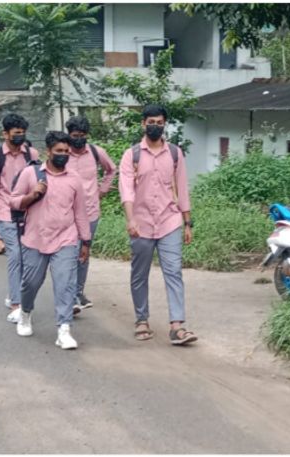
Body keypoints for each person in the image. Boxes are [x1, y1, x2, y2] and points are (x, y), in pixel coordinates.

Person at [118, 104, 197, 346]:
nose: (155, 126)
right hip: (140, 223)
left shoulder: (174, 153)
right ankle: (141, 320)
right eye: (150, 122)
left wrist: (187, 222)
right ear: (143, 124)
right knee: (139, 273)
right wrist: (131, 219)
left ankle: (177, 326)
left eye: (159, 122)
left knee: (173, 271)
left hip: (169, 221)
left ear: (164, 125)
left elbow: (182, 188)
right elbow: (126, 190)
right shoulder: (131, 155)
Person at [10, 131, 91, 349]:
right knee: (31, 283)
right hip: (35, 239)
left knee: (65, 284)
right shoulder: (30, 174)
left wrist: (86, 241)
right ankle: (25, 312)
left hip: (66, 239)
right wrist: (33, 195)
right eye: (59, 151)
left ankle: (64, 329)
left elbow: (80, 212)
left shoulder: (74, 179)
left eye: (66, 151)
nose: (63, 155)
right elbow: (14, 202)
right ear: (49, 151)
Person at [0, 113, 39, 323]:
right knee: (15, 256)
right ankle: (17, 303)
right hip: (6, 214)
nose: (20, 137)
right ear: (5, 134)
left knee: (28, 258)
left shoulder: (31, 154)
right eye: (16, 133)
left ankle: (14, 294)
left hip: (28, 213)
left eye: (23, 133)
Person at [64, 116, 117, 313]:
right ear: (69, 135)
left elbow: (111, 169)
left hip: (90, 212)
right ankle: (68, 295)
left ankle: (78, 292)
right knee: (68, 253)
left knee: (83, 253)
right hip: (66, 213)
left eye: (82, 136)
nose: (79, 139)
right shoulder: (62, 153)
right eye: (75, 136)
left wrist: (102, 189)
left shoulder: (96, 152)